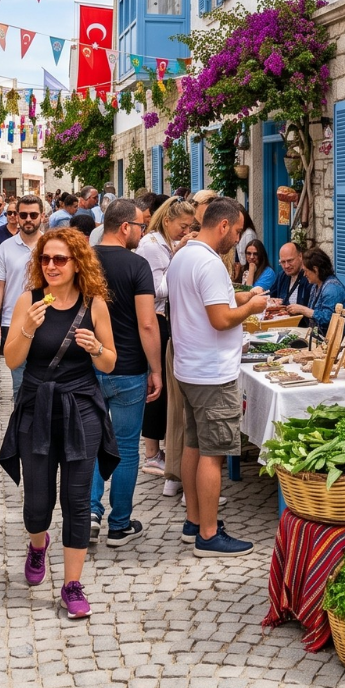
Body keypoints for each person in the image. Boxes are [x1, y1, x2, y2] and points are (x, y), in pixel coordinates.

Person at [0, 228, 120, 619]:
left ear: (77, 263)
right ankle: (38, 545)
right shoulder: (29, 301)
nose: (51, 266)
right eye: (45, 259)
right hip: (37, 406)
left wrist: (96, 348)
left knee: (77, 499)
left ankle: (72, 585)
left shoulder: (94, 304)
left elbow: (109, 362)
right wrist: (28, 329)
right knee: (37, 503)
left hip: (80, 407)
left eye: (60, 260)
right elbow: (11, 360)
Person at [166, 197, 264, 556]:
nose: (238, 239)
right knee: (214, 454)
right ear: (223, 226)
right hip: (211, 371)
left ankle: (194, 521)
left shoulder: (184, 256)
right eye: (237, 232)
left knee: (195, 444)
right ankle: (208, 534)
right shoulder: (208, 263)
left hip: (191, 366)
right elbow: (220, 319)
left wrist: (239, 295)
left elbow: (204, 301)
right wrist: (250, 306)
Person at [89, 199, 163, 546]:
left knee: (89, 444)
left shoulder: (83, 261)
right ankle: (119, 524)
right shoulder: (137, 265)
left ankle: (89, 513)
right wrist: (157, 369)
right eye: (140, 226)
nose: (142, 232)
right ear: (124, 227)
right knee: (126, 447)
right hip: (130, 367)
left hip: (88, 365)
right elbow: (148, 324)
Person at [138, 199, 196, 482]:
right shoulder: (152, 245)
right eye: (182, 226)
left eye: (189, 227)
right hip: (156, 318)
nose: (184, 231)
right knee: (156, 385)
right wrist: (179, 257)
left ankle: (156, 451)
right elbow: (154, 289)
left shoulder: (163, 243)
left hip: (164, 318)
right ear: (167, 221)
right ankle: (151, 454)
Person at [0, 194, 48, 395]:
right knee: (19, 387)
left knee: (47, 385)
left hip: (48, 320)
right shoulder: (5, 247)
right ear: (16, 217)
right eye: (23, 215)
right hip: (13, 322)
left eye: (33, 214)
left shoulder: (51, 246)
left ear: (42, 216)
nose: (28, 219)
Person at [300, 248, 345, 329]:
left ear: (315, 269)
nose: (304, 274)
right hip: (317, 336)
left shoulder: (332, 288)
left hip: (334, 339)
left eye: (306, 271)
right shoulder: (316, 285)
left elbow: (328, 320)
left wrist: (303, 310)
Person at [267, 242, 312, 316]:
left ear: (300, 256)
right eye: (283, 262)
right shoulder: (282, 275)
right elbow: (271, 296)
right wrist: (271, 301)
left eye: (290, 261)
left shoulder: (309, 277)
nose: (286, 266)